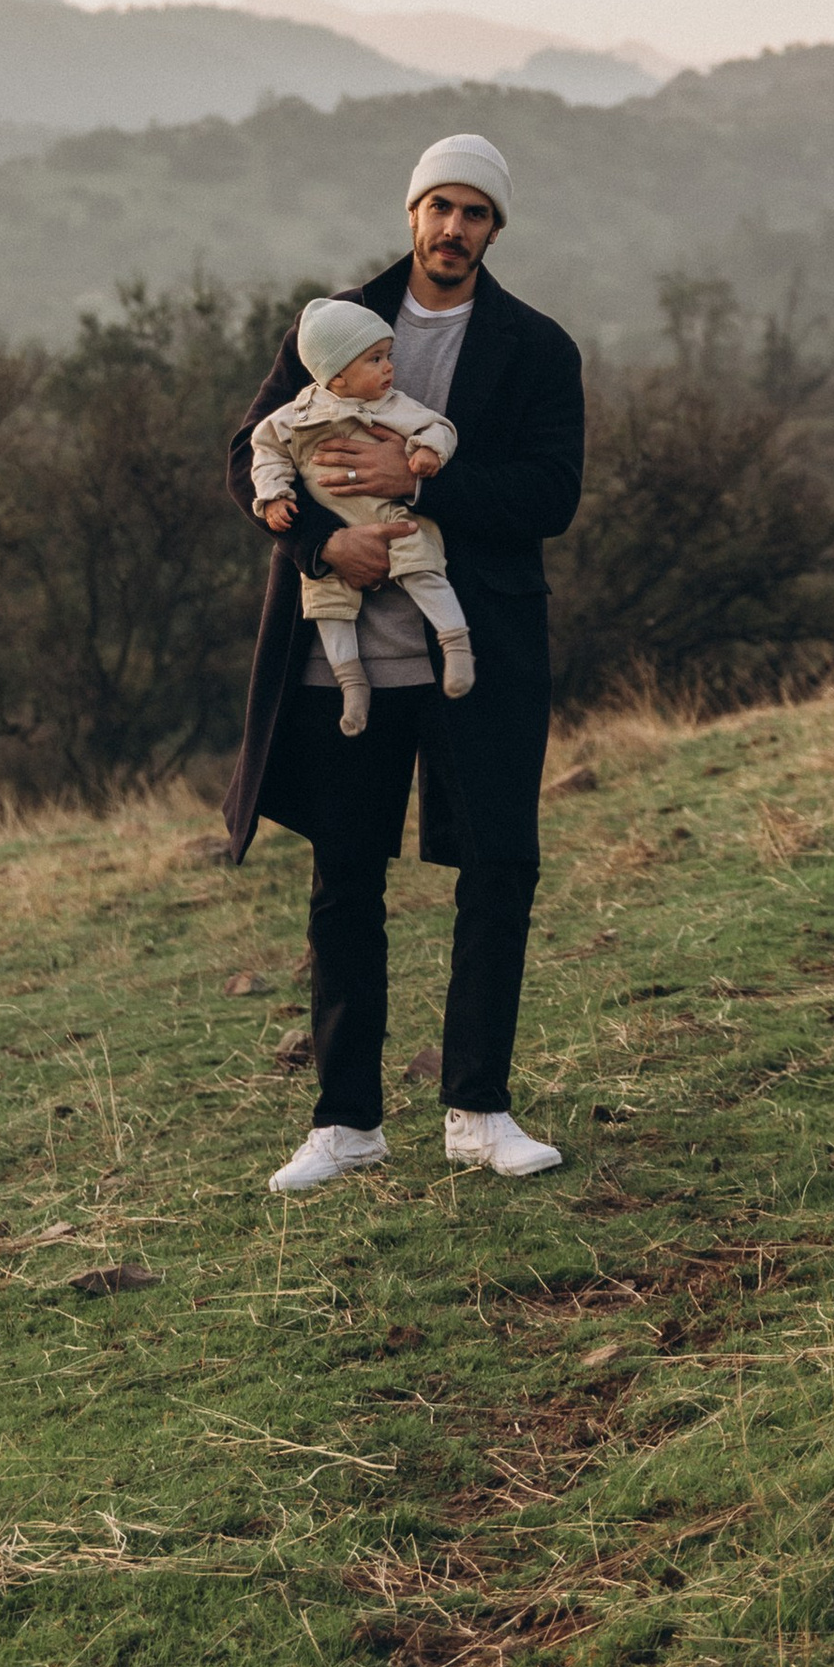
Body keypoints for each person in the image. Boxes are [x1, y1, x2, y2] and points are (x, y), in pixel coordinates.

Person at [222, 131, 585, 1195]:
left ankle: (479, 1111)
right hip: (345, 659)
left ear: (495, 229)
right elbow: (249, 455)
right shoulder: (331, 324)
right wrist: (318, 545)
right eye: (440, 207)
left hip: (479, 650)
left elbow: (550, 495)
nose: (453, 228)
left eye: (475, 213)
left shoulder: (536, 346)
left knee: (497, 871)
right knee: (343, 881)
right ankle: (346, 1124)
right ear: (412, 213)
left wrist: (417, 484)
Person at [248, 298, 470, 736]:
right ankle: (352, 684)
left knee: (423, 568)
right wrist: (273, 497)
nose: (389, 368)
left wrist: (428, 451)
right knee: (328, 605)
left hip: (391, 517)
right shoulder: (296, 415)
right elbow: (264, 451)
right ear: (336, 375)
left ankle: (456, 644)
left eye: (388, 356)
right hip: (334, 534)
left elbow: (437, 426)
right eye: (375, 359)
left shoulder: (391, 405)